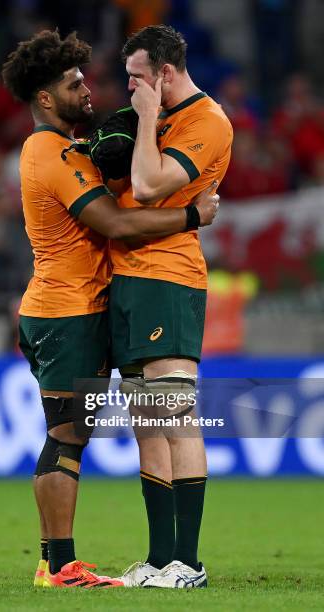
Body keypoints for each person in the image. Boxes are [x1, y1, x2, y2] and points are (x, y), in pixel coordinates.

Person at [1, 29, 219, 589]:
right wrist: (193, 217)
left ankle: (86, 561)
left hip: (94, 303)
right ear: (46, 99)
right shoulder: (46, 151)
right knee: (68, 436)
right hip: (66, 309)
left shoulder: (75, 145)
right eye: (75, 85)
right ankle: (56, 566)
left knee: (138, 421)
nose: (90, 92)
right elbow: (119, 222)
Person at [109, 25, 233, 588]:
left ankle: (190, 562)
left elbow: (150, 184)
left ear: (163, 72)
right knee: (147, 423)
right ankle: (161, 560)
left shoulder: (207, 121)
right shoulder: (157, 119)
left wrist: (145, 116)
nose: (129, 88)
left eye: (137, 77)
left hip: (170, 278)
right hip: (129, 281)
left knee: (176, 416)